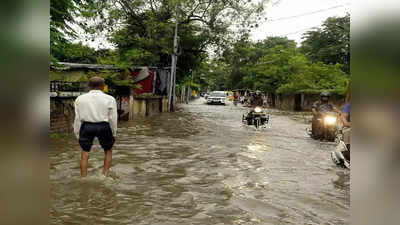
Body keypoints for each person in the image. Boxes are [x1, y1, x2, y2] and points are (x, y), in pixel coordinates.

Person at [74, 77, 118, 177]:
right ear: (103, 86)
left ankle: (83, 178)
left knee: (85, 153)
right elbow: (113, 118)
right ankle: (104, 175)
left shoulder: (80, 99)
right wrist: (114, 133)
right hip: (104, 126)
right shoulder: (110, 99)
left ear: (89, 86)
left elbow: (77, 118)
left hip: (87, 126)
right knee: (108, 150)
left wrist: (77, 134)